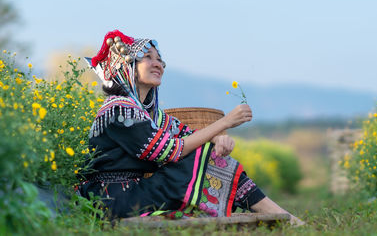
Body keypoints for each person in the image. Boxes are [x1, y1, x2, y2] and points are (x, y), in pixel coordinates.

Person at [79, 30, 303, 225]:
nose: (158, 64)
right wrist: (224, 124)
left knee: (210, 156)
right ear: (126, 66)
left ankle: (279, 216)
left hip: (137, 192)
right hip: (113, 200)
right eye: (147, 57)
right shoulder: (119, 111)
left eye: (160, 60)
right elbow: (169, 150)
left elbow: (187, 134)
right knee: (203, 160)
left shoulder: (150, 114)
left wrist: (216, 138)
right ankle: (281, 217)